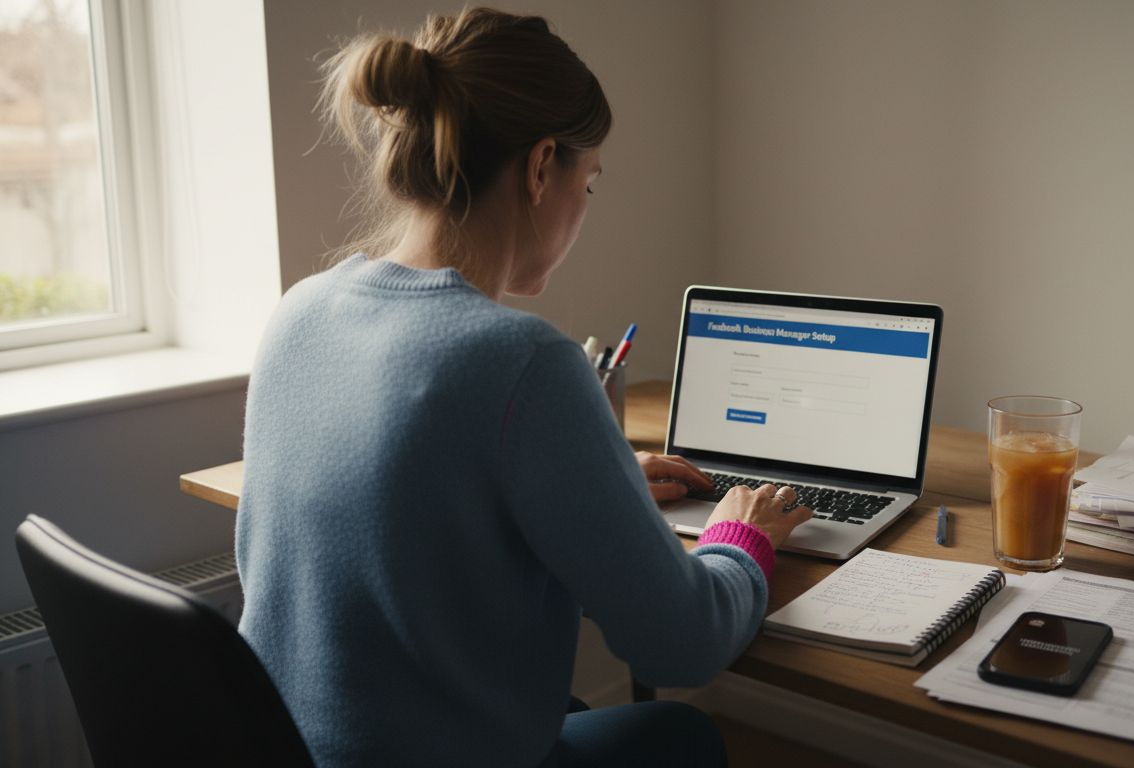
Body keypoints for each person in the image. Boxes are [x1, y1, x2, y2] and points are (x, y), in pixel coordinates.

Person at [235, 9, 812, 767]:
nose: (584, 208)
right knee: (683, 735)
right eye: (589, 182)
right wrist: (742, 539)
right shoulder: (523, 362)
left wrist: (597, 482)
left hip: (288, 748)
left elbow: (424, 501)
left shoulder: (299, 312)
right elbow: (685, 644)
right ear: (542, 168)